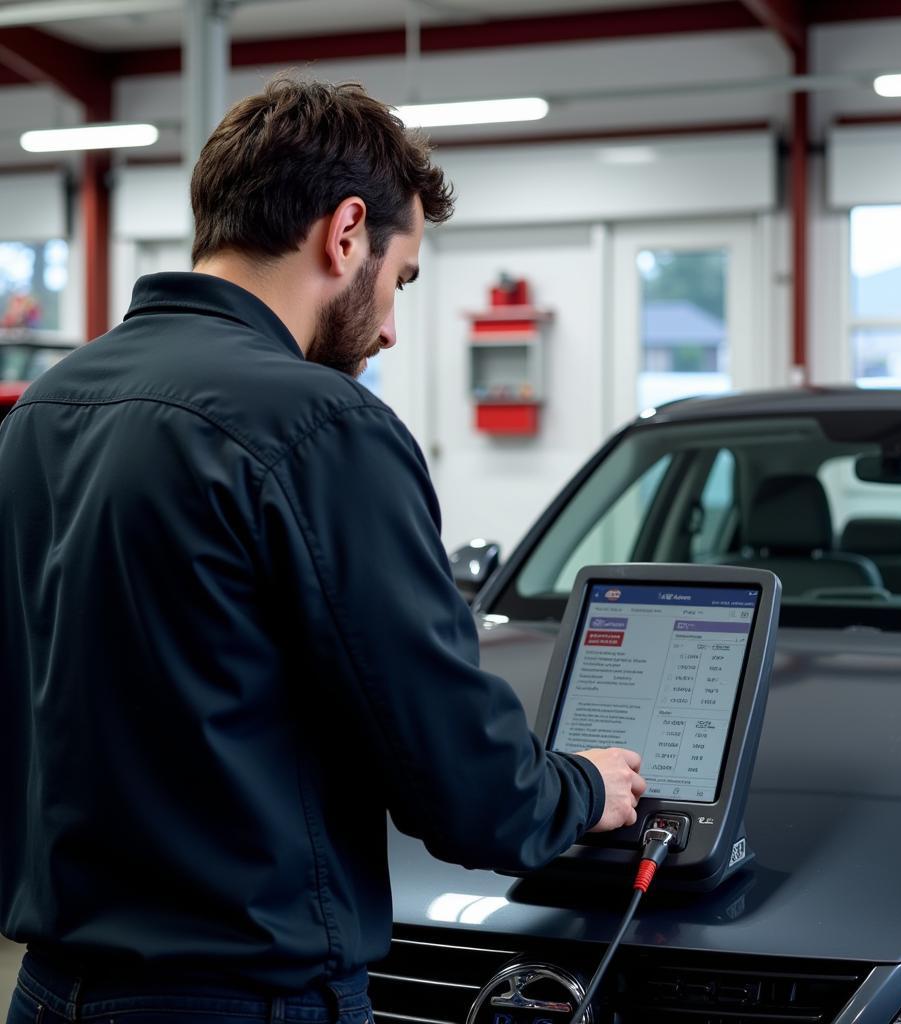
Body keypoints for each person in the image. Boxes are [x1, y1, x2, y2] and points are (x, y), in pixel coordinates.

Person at [0, 77, 646, 1024]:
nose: (387, 327)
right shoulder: (320, 425)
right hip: (242, 1000)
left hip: (51, 990)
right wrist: (580, 788)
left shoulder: (44, 410)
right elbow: (456, 778)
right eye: (400, 280)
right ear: (346, 233)